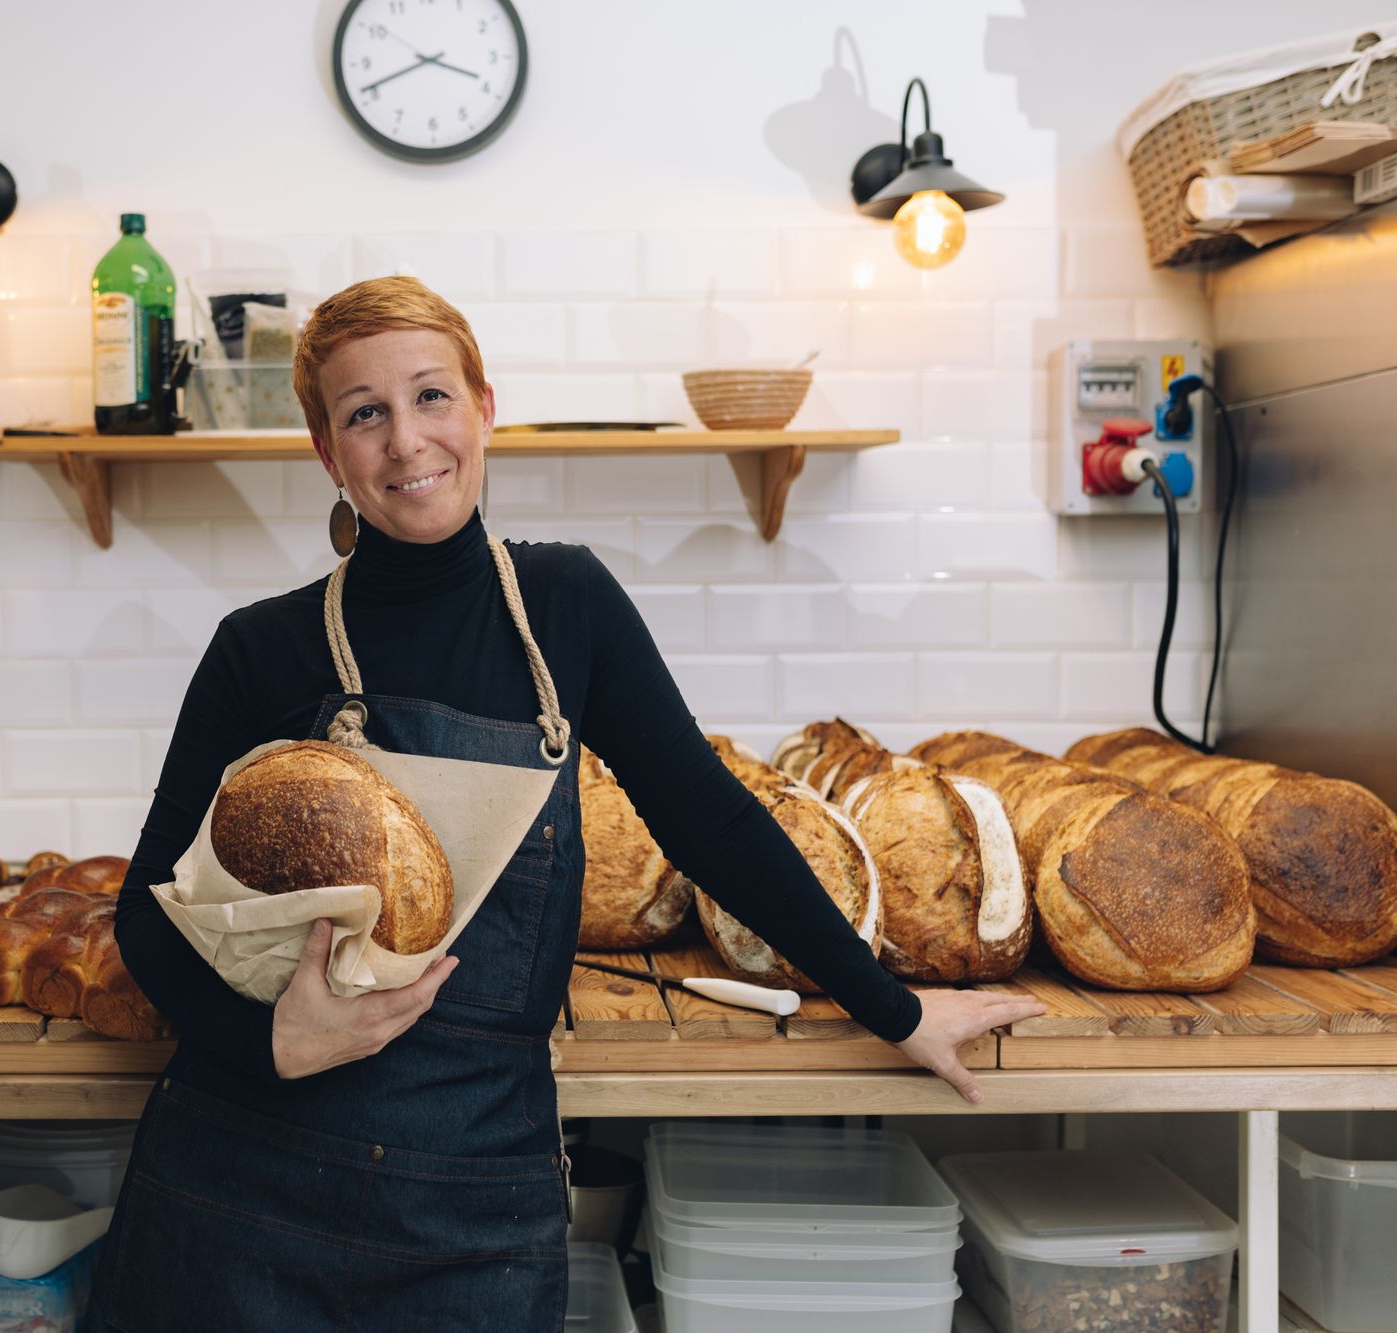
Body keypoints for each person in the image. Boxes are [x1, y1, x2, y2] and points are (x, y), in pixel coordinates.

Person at [88, 276, 1043, 1331]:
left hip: (471, 1202)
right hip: (243, 1191)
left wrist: (897, 1011)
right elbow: (143, 910)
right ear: (327, 451)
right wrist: (270, 1040)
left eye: (430, 397)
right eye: (364, 413)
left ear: (483, 407)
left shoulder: (563, 606)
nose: (406, 440)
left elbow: (707, 819)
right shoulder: (258, 649)